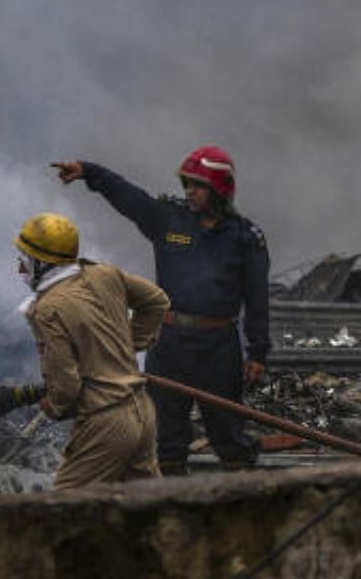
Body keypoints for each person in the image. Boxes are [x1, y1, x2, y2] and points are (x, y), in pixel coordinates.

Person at [53, 146, 270, 474]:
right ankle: (171, 508)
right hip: (169, 343)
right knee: (165, 438)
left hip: (218, 345)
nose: (190, 192)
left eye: (198, 185)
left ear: (219, 188)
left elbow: (257, 298)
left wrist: (258, 353)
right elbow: (129, 197)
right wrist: (89, 171)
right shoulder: (169, 219)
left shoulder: (245, 237)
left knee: (228, 434)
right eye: (187, 184)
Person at [11, 212, 170, 488]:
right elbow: (156, 301)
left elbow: (66, 385)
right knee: (149, 507)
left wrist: (56, 406)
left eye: (25, 261)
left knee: (66, 508)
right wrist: (127, 346)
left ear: (42, 262)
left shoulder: (47, 309)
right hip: (142, 410)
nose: (20, 270)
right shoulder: (104, 274)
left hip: (106, 421)